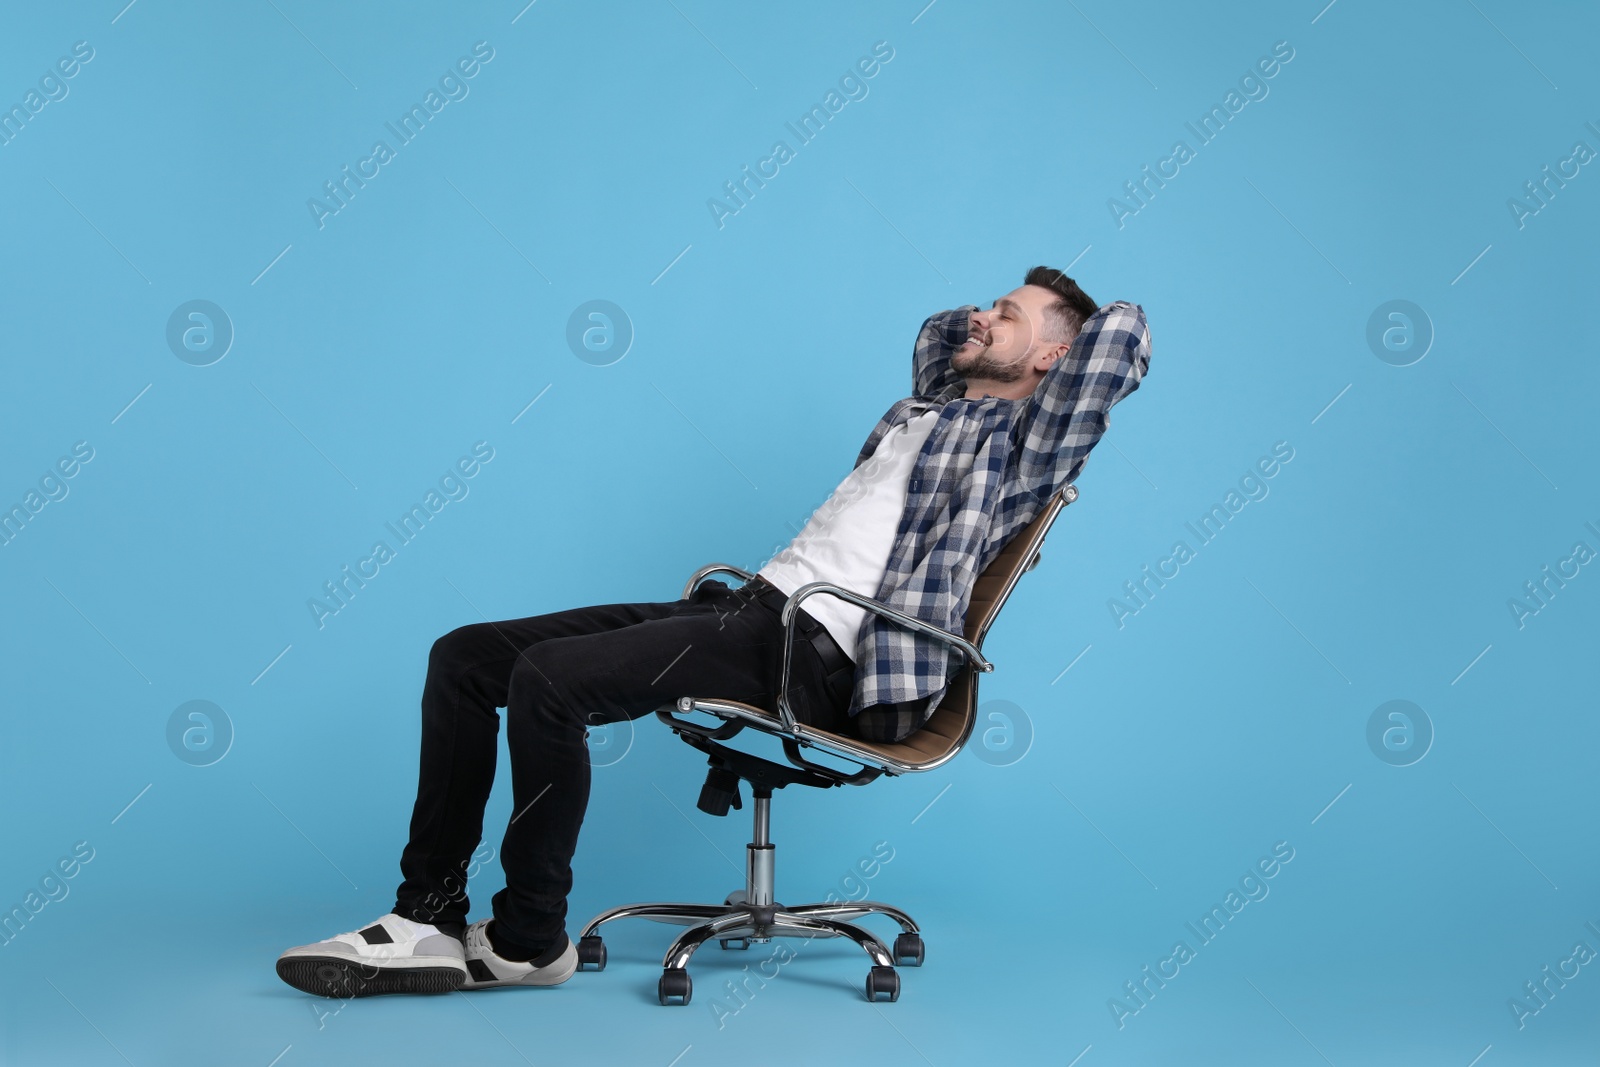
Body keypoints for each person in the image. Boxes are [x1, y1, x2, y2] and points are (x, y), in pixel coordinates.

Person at [274, 266, 1152, 997]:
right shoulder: (930, 412)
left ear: (1054, 355)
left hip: (822, 658)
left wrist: (1045, 316)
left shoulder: (1026, 447)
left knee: (550, 682)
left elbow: (1121, 341)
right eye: (989, 306)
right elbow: (934, 343)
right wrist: (979, 329)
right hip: (752, 611)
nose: (986, 315)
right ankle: (427, 914)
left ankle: (527, 938)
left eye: (1010, 314)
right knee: (467, 657)